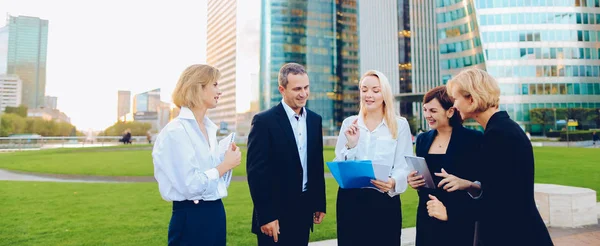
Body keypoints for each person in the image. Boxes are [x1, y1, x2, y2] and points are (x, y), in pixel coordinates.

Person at [440, 68, 553, 245]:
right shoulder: (500, 129)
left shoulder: (500, 134)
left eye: (456, 98)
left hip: (514, 235)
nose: (453, 105)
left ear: (471, 98)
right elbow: (502, 188)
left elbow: (499, 203)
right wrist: (470, 185)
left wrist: (449, 212)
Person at [152, 64, 242, 246]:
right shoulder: (176, 131)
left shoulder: (209, 129)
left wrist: (226, 161)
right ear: (198, 87)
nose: (220, 91)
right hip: (191, 218)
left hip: (215, 212)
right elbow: (191, 185)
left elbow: (215, 183)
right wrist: (224, 165)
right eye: (215, 85)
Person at [246, 63, 327, 246]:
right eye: (297, 89)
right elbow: (256, 173)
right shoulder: (263, 121)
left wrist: (319, 203)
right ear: (282, 89)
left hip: (304, 211)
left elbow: (316, 164)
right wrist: (266, 216)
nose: (303, 93)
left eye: (306, 88)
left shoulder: (315, 120)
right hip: (274, 215)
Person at [333, 70, 413, 246]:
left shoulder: (399, 125)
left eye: (375, 91)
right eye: (364, 89)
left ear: (384, 93)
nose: (369, 95)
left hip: (384, 200)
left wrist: (393, 182)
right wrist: (351, 144)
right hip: (351, 201)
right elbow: (340, 164)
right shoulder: (349, 123)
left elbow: (404, 165)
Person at [407, 86, 482, 246]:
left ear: (450, 111)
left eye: (433, 111)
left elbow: (482, 186)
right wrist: (414, 182)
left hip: (458, 218)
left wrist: (465, 184)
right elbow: (425, 180)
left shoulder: (474, 140)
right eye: (425, 110)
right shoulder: (422, 139)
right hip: (427, 216)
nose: (427, 115)